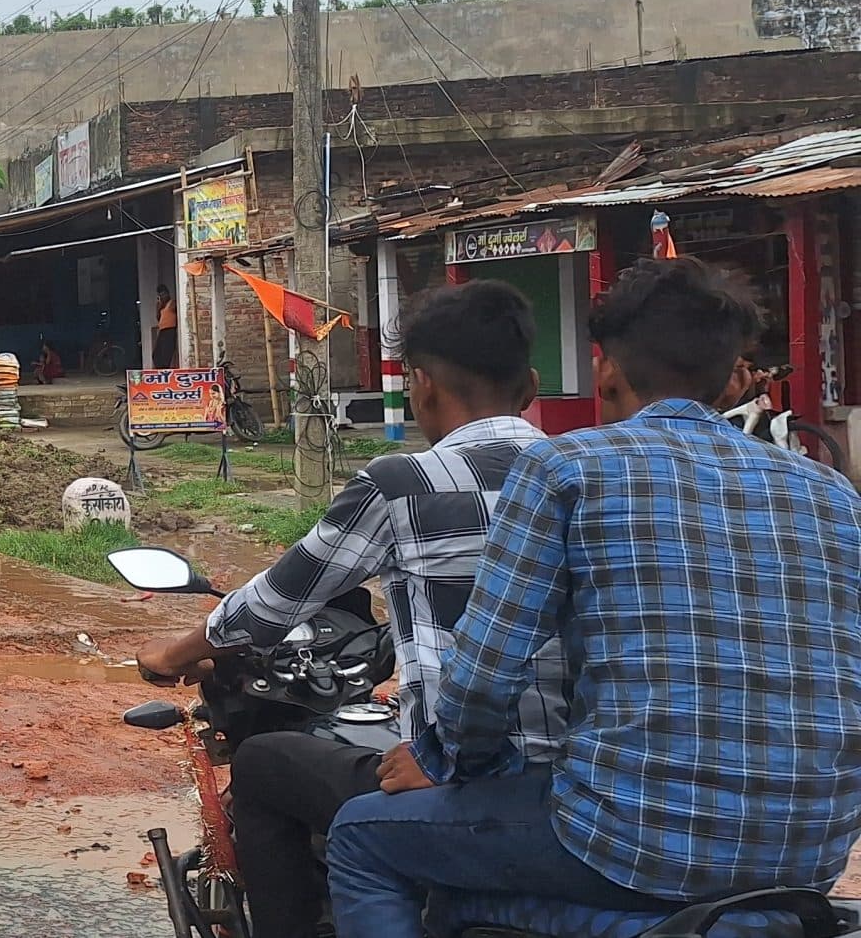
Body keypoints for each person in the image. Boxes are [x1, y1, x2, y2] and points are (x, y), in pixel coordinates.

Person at [327, 258, 861, 937]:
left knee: (362, 837)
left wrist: (442, 759)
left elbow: (486, 671)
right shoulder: (830, 492)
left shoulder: (567, 467)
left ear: (606, 369)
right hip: (806, 857)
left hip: (627, 844)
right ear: (732, 377)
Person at [133, 280, 556, 938]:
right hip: (583, 786)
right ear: (529, 387)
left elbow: (272, 603)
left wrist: (177, 652)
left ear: (422, 386)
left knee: (264, 764)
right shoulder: (588, 475)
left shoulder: (403, 485)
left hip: (468, 783)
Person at [153, 285, 179, 369]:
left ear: (167, 294)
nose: (163, 296)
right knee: (156, 354)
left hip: (170, 330)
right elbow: (158, 318)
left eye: (164, 294)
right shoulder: (162, 306)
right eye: (160, 295)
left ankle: (165, 371)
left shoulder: (172, 303)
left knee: (166, 354)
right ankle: (160, 370)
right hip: (162, 331)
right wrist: (159, 306)